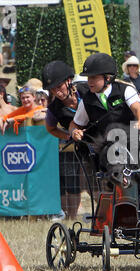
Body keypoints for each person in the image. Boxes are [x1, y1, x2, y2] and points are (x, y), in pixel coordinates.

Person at [42, 60, 88, 220]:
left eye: (59, 86)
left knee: (99, 185)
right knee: (74, 184)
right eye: (52, 89)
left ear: (68, 81)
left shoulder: (86, 89)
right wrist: (69, 136)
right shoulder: (54, 110)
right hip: (78, 147)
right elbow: (51, 128)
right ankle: (72, 217)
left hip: (101, 141)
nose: (57, 91)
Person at [69, 52, 140, 141]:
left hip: (138, 138)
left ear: (107, 78)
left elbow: (137, 109)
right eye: (89, 78)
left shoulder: (125, 90)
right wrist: (74, 131)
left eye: (94, 77)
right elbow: (75, 124)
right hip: (111, 146)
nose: (90, 82)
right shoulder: (86, 100)